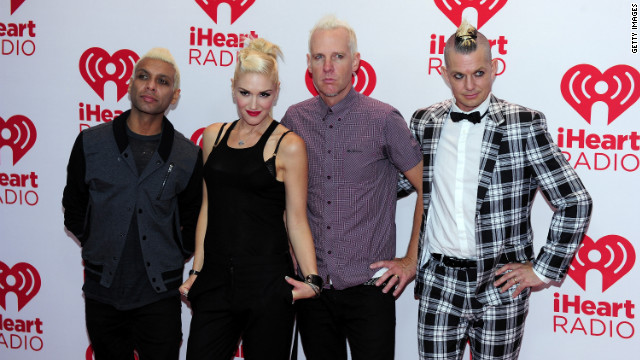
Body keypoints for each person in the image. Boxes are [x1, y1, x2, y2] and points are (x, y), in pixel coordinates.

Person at [398, 20, 593, 360]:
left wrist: (543, 269)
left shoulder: (524, 124)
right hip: (439, 282)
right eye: (459, 76)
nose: (470, 85)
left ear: (494, 69)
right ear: (444, 74)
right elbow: (393, 185)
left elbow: (575, 200)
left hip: (500, 286)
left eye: (479, 73)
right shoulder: (424, 122)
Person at [281, 15, 424, 360]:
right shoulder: (293, 120)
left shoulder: (384, 119)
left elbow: (428, 189)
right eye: (319, 57)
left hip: (370, 290)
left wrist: (410, 260)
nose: (328, 67)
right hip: (312, 289)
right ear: (309, 64)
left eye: (338, 56)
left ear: (356, 62)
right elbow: (282, 201)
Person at [179, 37, 320, 360]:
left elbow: (296, 219)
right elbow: (207, 209)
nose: (254, 104)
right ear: (233, 88)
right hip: (214, 280)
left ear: (277, 91)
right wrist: (197, 271)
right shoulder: (213, 135)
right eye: (245, 93)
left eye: (264, 94)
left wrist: (312, 279)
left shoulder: (289, 145)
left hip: (267, 282)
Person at [62, 48, 202, 360]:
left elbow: (194, 218)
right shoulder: (91, 143)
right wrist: (96, 241)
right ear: (130, 84)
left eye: (162, 81)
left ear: (174, 95)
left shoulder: (187, 155)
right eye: (144, 76)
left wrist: (175, 252)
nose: (151, 85)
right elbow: (73, 205)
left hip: (160, 296)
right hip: (102, 293)